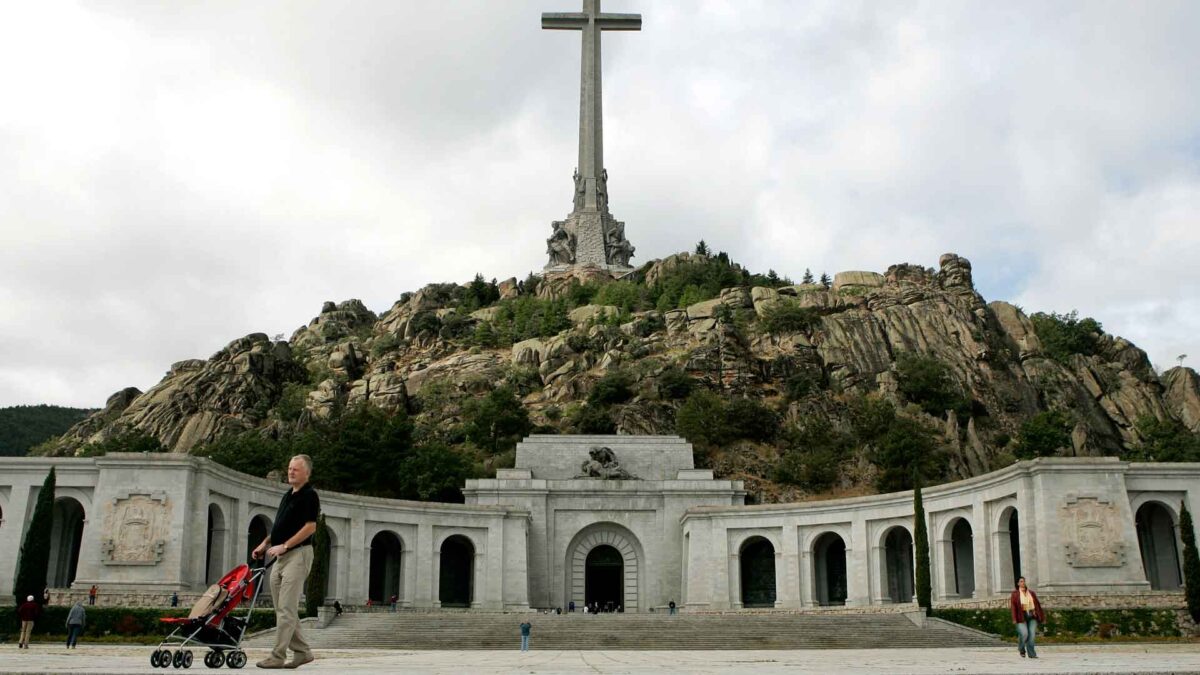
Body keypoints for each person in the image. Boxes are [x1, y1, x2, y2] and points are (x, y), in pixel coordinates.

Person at [251, 454, 321, 669]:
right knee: (283, 609)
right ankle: (302, 652)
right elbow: (280, 526)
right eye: (290, 468)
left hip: (298, 554)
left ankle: (277, 656)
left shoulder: (310, 496)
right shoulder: (287, 495)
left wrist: (286, 545)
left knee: (287, 609)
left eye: (295, 469)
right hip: (281, 556)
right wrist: (264, 543)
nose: (290, 472)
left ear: (307, 473)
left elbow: (311, 527)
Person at [1009, 576, 1045, 659]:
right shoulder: (1015, 594)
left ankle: (1032, 654)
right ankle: (1021, 648)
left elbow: (1038, 606)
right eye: (1021, 581)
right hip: (1021, 616)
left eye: (1024, 581)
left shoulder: (1031, 593)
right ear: (1018, 583)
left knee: (1031, 635)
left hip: (1032, 616)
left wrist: (1042, 617)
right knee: (1024, 634)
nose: (1023, 583)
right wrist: (1014, 618)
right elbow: (1013, 607)